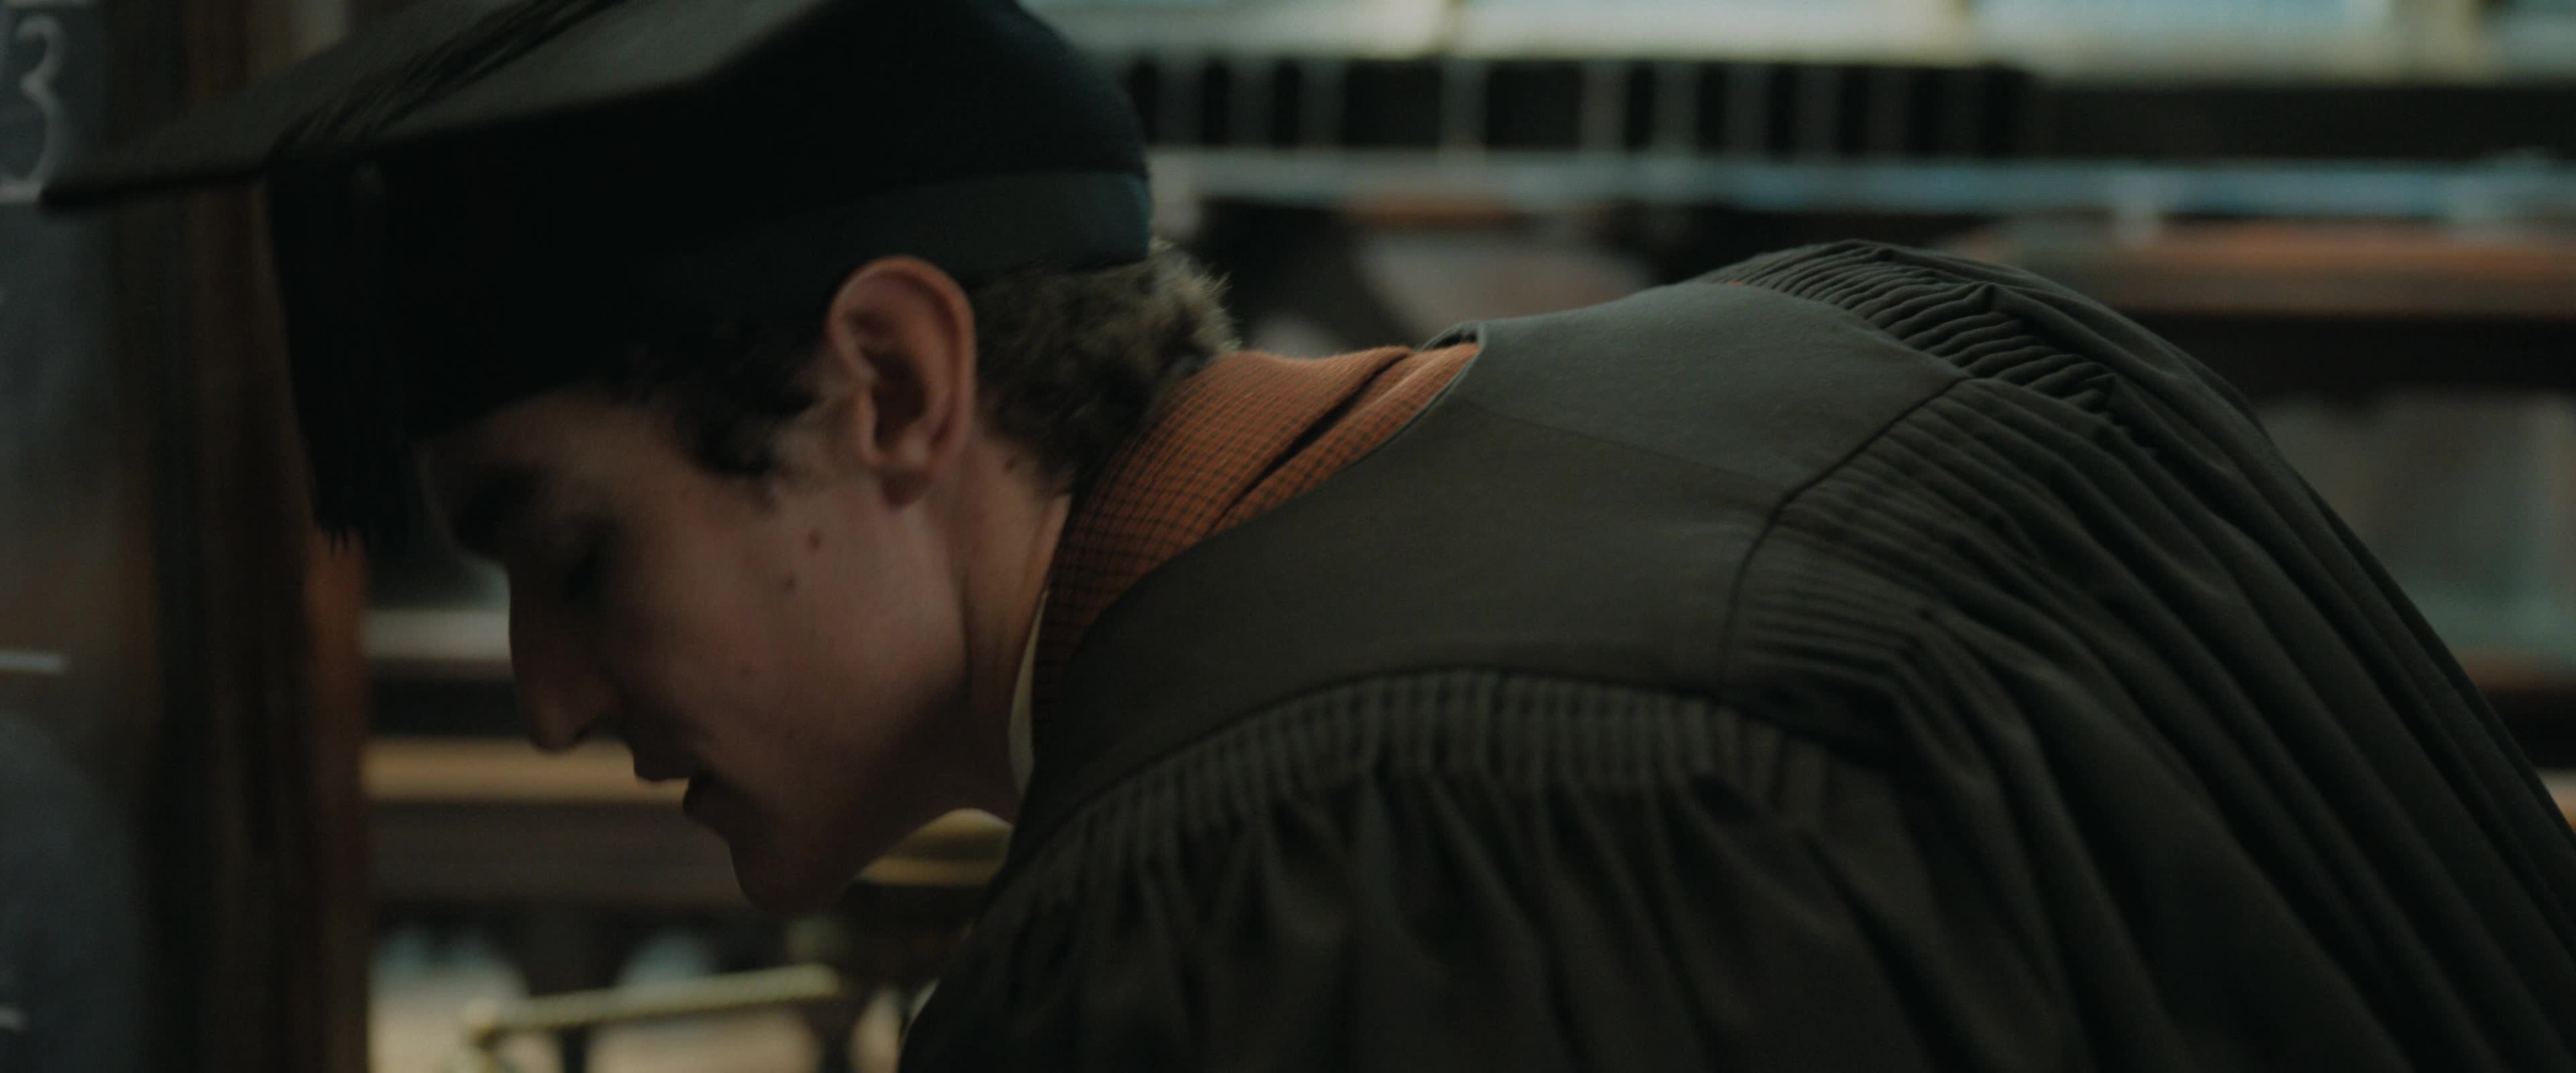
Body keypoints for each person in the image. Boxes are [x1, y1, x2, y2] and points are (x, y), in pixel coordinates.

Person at [50, 1, 2576, 1068]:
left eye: (571, 549)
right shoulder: (1908, 346)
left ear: (892, 386)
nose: (553, 696)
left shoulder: (1262, 923)